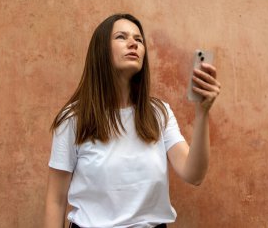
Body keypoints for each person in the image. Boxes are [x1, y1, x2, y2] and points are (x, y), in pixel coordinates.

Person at [44, 13, 221, 228]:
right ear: (101, 50)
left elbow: (194, 174)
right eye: (121, 37)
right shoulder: (73, 119)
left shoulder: (159, 113)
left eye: (139, 39)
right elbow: (56, 199)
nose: (133, 44)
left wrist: (202, 114)